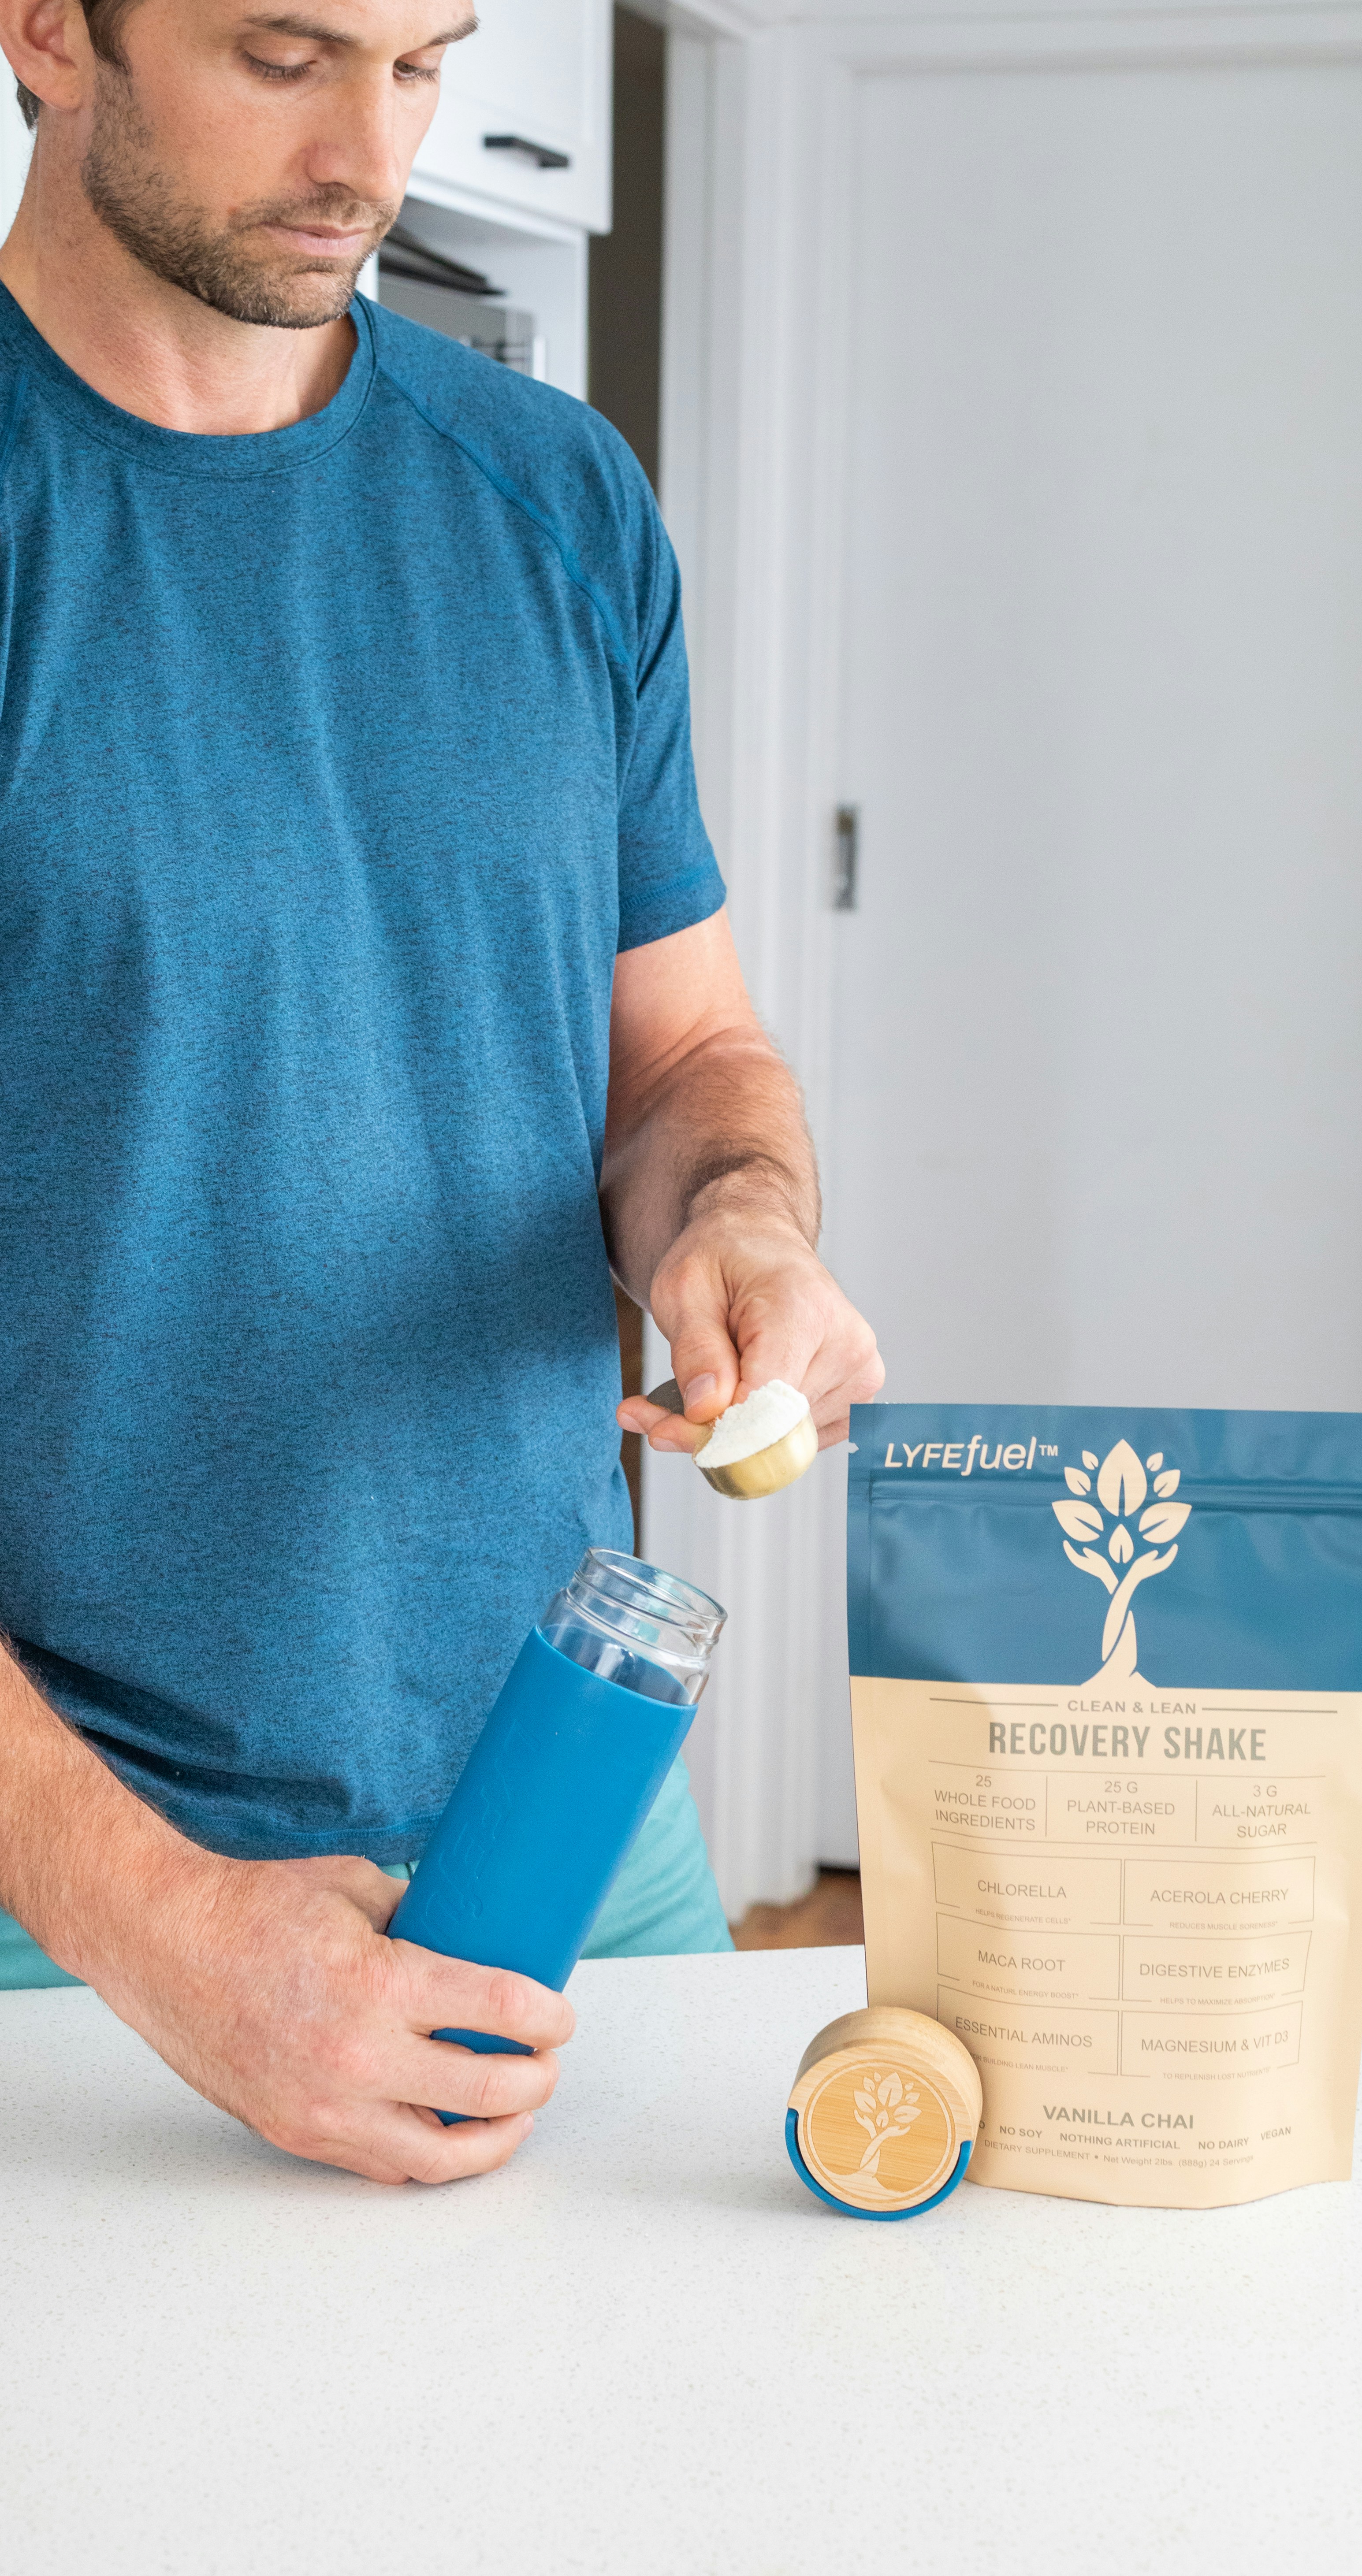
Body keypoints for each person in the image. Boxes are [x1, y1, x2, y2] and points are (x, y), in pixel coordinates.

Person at [0, 0, 882, 2184]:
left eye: (420, 63)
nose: (371, 156)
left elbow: (680, 1054)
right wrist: (171, 1927)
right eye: (286, 57)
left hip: (583, 1813)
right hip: (67, 1911)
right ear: (46, 32)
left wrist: (736, 1217)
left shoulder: (553, 496)